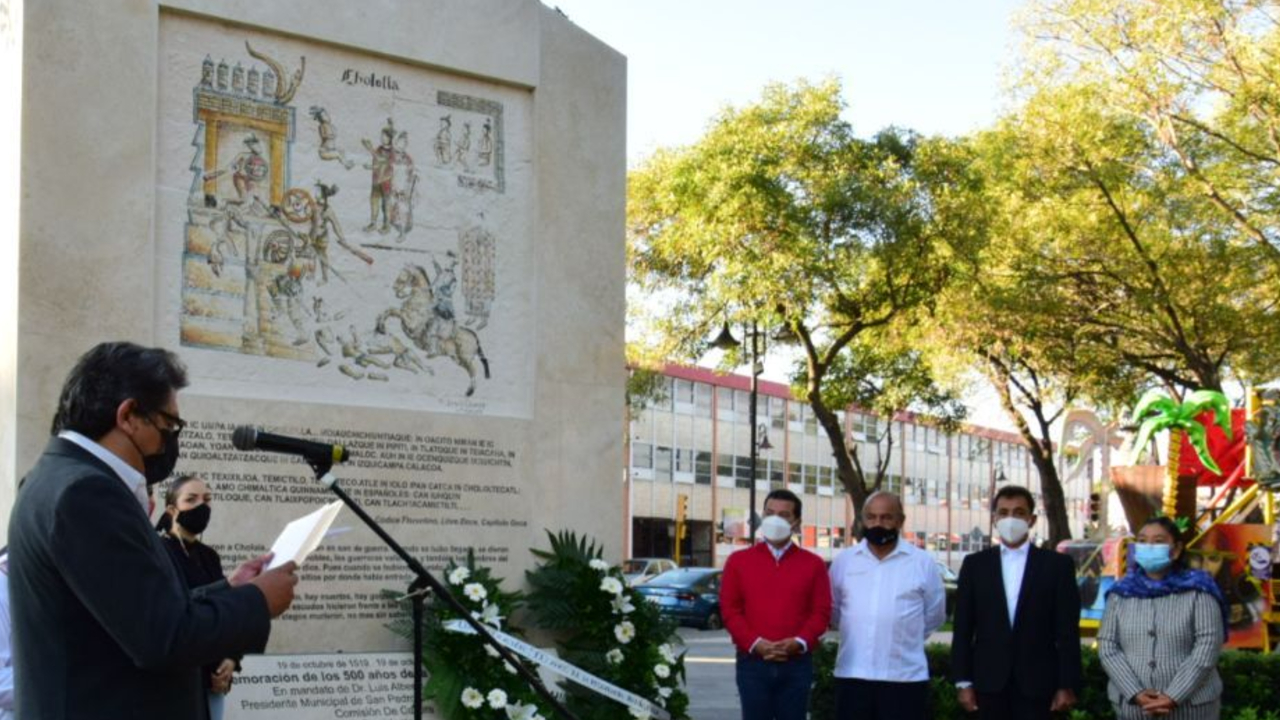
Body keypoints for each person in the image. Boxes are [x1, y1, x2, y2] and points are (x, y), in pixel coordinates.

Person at [7, 341, 298, 720]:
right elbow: (163, 637)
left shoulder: (56, 478)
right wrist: (258, 601)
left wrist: (230, 589)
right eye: (169, 425)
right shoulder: (86, 492)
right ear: (128, 416)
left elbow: (134, 607)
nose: (170, 441)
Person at [951, 485, 1082, 720]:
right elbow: (962, 628)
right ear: (994, 519)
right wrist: (963, 682)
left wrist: (1066, 684)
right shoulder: (975, 565)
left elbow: (1067, 631)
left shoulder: (1057, 566)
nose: (1010, 518)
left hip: (1039, 685)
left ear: (1031, 519)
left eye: (1019, 512)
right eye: (1003, 512)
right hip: (988, 683)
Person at [829, 492, 945, 720]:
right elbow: (834, 610)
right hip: (853, 674)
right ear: (862, 520)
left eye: (886, 517)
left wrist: (903, 635)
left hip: (904, 678)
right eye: (871, 517)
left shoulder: (922, 563)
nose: (878, 524)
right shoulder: (845, 561)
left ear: (900, 521)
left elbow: (935, 614)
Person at [1098, 516, 1228, 720]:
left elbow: (1208, 645)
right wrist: (1135, 692)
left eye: (1158, 541)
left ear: (1176, 550)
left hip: (1192, 708)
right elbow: (1107, 645)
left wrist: (1174, 695)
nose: (1148, 546)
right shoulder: (1120, 593)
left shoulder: (1199, 590)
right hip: (1134, 708)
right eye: (1142, 540)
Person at [720, 489, 832, 720]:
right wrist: (756, 643)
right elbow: (730, 611)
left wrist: (799, 642)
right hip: (752, 663)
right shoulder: (738, 562)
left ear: (796, 523)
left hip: (797, 664)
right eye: (770, 513)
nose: (775, 520)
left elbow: (821, 612)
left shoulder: (814, 565)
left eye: (784, 515)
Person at [156, 475, 238, 720]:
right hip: (176, 684)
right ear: (172, 509)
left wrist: (231, 659)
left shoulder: (209, 556)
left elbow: (225, 611)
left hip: (213, 682)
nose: (201, 506)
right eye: (191, 499)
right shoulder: (158, 552)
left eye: (207, 499)